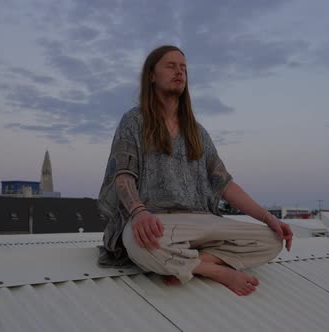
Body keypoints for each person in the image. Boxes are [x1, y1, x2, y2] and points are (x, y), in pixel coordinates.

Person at [97, 45, 292, 296]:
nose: (179, 72)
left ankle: (191, 264)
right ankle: (217, 271)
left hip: (200, 220)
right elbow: (123, 175)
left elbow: (226, 185)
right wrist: (139, 213)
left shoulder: (198, 132)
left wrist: (269, 218)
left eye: (183, 68)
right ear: (152, 75)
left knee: (273, 239)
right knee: (138, 244)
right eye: (171, 66)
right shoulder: (134, 121)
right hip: (158, 221)